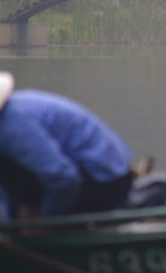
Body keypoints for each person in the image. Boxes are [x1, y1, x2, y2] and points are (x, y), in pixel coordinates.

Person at [0, 72, 134, 219]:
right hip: (98, 175)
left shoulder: (11, 124)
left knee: (8, 168)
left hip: (107, 181)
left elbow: (64, 177)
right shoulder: (16, 108)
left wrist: (47, 217)